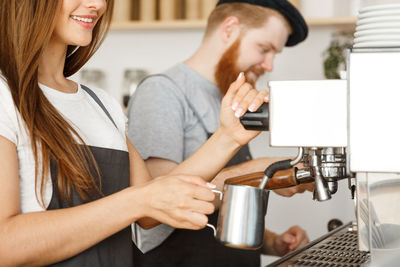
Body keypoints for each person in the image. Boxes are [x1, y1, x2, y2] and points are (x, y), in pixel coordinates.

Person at [0, 0, 274, 266]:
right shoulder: (4, 96)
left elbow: (151, 208)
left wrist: (229, 136)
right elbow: (6, 245)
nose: (97, 4)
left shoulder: (101, 105)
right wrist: (137, 201)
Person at [127, 0, 312, 266]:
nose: (269, 64)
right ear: (229, 29)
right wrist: (261, 172)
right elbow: (155, 208)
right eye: (264, 49)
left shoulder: (228, 96)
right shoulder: (162, 92)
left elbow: (221, 213)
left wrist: (272, 242)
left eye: (275, 54)